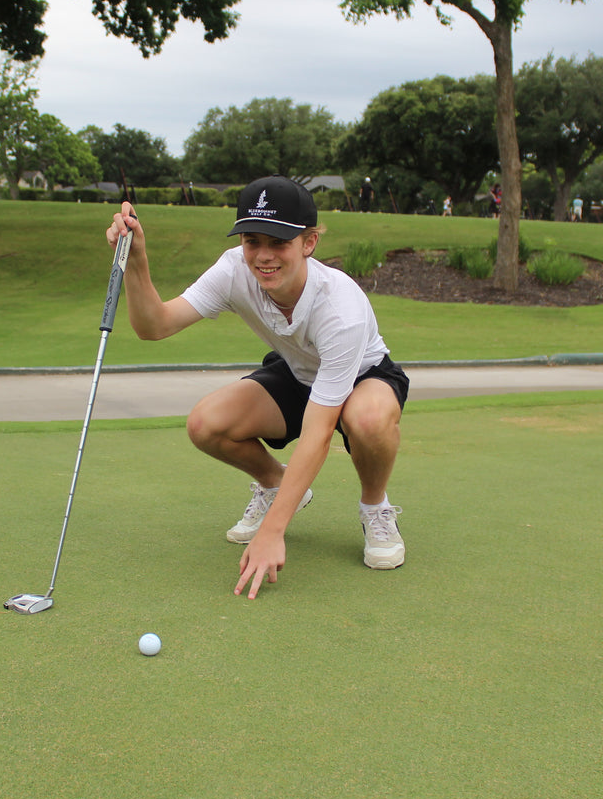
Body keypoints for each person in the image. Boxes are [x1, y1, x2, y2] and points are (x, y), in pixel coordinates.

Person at [106, 175, 410, 600]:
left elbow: (320, 431)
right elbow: (154, 325)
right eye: (252, 240)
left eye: (279, 242)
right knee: (206, 423)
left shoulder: (342, 309)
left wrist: (272, 533)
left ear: (309, 243)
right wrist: (136, 259)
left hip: (364, 377)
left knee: (369, 419)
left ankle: (375, 507)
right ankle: (275, 483)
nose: (263, 256)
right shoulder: (233, 269)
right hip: (296, 372)